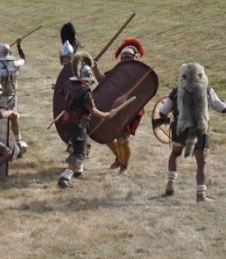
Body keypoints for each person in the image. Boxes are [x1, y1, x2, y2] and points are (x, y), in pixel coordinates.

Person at [155, 63, 226, 202]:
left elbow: (163, 112)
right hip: (199, 130)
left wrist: (166, 118)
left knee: (175, 153)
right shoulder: (207, 90)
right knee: (202, 162)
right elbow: (221, 107)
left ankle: (170, 184)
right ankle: (201, 195)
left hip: (179, 128)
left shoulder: (175, 92)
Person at [56, 59, 112, 189]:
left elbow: (62, 92)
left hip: (67, 121)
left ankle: (78, 171)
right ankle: (65, 177)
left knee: (83, 144)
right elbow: (92, 110)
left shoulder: (69, 83)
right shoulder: (85, 91)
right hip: (78, 124)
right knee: (79, 153)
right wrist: (106, 115)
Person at [93, 38, 146, 174]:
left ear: (134, 57)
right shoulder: (116, 71)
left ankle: (124, 166)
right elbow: (103, 81)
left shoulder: (139, 74)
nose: (125, 59)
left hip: (131, 110)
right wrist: (95, 69)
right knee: (106, 136)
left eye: (127, 57)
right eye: (122, 57)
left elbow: (144, 93)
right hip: (115, 109)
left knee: (122, 138)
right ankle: (119, 157)